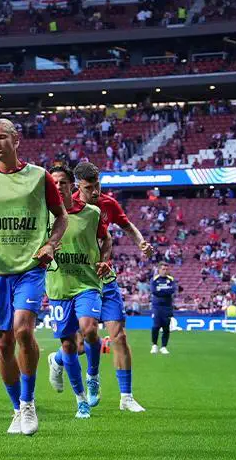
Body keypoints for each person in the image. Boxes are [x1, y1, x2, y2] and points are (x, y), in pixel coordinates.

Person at [0, 118, 67, 436]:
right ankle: (16, 408)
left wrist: (51, 244)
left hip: (30, 267)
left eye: (2, 137)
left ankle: (28, 403)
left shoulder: (39, 177)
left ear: (16, 140)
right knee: (4, 343)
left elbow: (61, 217)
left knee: (22, 330)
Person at [72, 161, 149, 412]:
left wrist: (141, 242)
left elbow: (127, 227)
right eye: (89, 187)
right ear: (77, 186)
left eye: (97, 185)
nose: (95, 191)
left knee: (119, 336)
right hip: (81, 282)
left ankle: (126, 397)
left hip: (105, 280)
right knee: (78, 344)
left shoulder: (108, 204)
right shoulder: (66, 207)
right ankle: (59, 359)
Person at [42, 166, 109, 420]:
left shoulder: (92, 213)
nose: (58, 186)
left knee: (89, 329)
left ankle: (93, 376)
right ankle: (81, 400)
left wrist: (105, 260)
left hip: (87, 283)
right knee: (69, 344)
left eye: (63, 182)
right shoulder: (43, 216)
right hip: (59, 286)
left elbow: (106, 240)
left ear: (73, 185)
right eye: (54, 183)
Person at [150, 264, 179, 354]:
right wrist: (166, 291)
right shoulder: (154, 279)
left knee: (166, 327)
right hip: (157, 306)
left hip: (167, 306)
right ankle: (154, 345)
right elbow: (154, 291)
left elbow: (172, 290)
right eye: (163, 269)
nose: (165, 271)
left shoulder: (171, 279)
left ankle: (163, 347)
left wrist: (161, 290)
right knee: (156, 326)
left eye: (166, 269)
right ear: (159, 270)